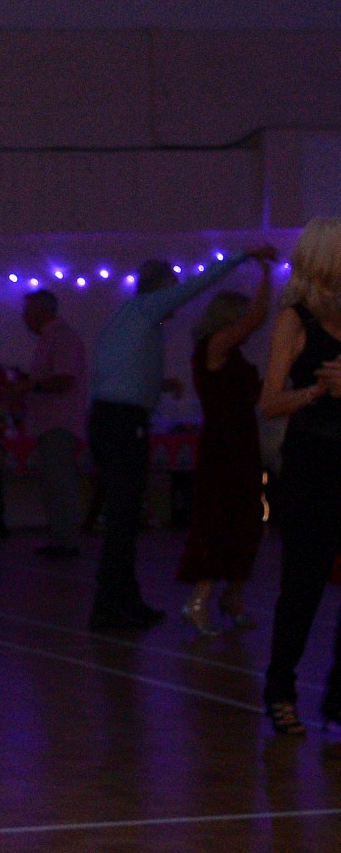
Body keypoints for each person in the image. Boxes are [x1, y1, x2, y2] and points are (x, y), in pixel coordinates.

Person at [86, 247, 273, 631]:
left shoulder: (131, 318)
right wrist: (243, 257)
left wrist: (157, 387)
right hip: (123, 422)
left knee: (126, 515)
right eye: (171, 289)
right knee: (123, 516)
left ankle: (124, 599)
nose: (176, 298)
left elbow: (113, 372)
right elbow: (198, 284)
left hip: (115, 419)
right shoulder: (146, 309)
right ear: (161, 288)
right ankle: (109, 606)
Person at [259, 219, 341, 736]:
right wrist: (317, 391)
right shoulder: (296, 318)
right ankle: (280, 691)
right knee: (303, 587)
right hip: (313, 464)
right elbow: (269, 403)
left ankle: (338, 699)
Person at [176, 278, 273, 635]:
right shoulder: (214, 345)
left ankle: (233, 596)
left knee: (247, 520)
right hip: (223, 446)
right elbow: (257, 318)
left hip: (243, 442)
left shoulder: (233, 355)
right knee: (220, 520)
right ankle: (198, 600)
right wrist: (265, 274)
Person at [21, 289, 88, 559]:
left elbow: (65, 380)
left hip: (59, 423)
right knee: (52, 483)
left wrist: (30, 386)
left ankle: (67, 541)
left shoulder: (61, 338)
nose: (24, 318)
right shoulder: (52, 339)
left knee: (60, 483)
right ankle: (60, 538)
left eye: (27, 312)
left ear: (41, 312)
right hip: (50, 424)